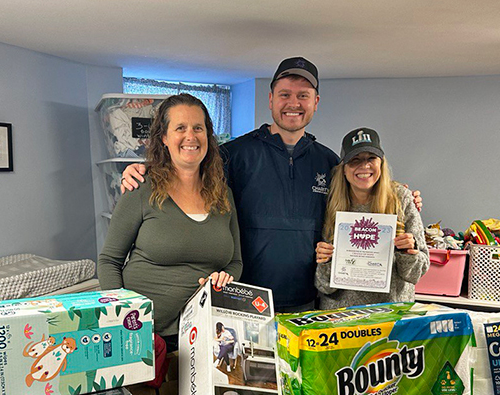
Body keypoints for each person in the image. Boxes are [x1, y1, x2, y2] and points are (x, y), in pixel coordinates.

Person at [121, 58, 423, 313]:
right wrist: (145, 170)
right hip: (243, 299)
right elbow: (187, 167)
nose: (293, 103)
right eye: (284, 94)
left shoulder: (329, 163)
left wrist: (401, 195)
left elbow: (359, 199)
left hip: (309, 303)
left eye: (303, 95)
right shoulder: (234, 155)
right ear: (271, 100)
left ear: (315, 102)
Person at [98, 94, 242, 350]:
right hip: (144, 335)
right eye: (180, 128)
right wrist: (123, 320)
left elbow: (235, 262)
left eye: (198, 128)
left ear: (208, 136)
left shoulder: (224, 195)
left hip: (203, 334)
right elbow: (109, 261)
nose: (191, 136)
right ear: (164, 138)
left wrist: (225, 278)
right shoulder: (141, 187)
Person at [315, 128, 429, 308]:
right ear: (344, 169)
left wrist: (408, 252)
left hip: (390, 315)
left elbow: (416, 274)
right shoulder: (329, 204)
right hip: (339, 318)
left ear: (381, 163)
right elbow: (322, 285)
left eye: (371, 158)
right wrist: (326, 261)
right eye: (355, 160)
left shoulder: (402, 199)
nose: (365, 166)